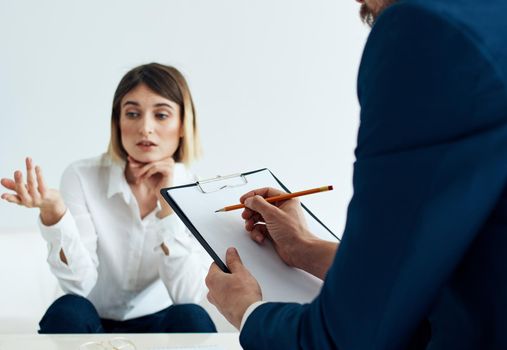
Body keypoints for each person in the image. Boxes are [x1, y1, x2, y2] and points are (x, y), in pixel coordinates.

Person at [205, 0, 507, 348]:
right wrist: (304, 248)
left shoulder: (429, 31)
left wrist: (247, 312)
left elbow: (345, 340)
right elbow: (448, 273)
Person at [1, 63, 217, 333]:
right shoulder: (81, 176)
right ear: (118, 122)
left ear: (183, 125)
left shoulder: (194, 189)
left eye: (161, 115)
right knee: (68, 310)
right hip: (91, 320)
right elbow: (80, 285)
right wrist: (55, 213)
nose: (145, 128)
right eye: (132, 114)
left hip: (158, 322)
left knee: (191, 317)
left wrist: (167, 208)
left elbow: (187, 295)